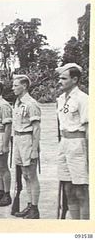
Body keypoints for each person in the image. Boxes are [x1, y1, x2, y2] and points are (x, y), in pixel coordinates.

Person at [56, 63, 89, 219]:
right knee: (68, 189)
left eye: (64, 78)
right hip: (64, 144)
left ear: (75, 79)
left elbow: (89, 128)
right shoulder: (61, 99)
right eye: (60, 78)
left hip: (78, 144)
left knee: (81, 190)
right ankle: (74, 226)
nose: (59, 81)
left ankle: (85, 227)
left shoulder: (84, 99)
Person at [12, 75, 41, 219]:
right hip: (18, 139)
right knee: (24, 175)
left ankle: (35, 208)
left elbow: (36, 128)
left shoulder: (31, 103)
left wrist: (34, 149)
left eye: (16, 85)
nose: (13, 88)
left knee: (32, 175)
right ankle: (29, 205)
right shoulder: (18, 103)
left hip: (27, 140)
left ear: (24, 86)